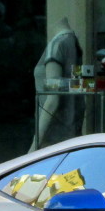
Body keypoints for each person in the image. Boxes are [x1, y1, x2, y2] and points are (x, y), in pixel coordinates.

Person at [30, 16, 82, 151]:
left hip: (53, 137)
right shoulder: (72, 41)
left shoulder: (57, 45)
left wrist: (34, 145)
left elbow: (52, 100)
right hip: (69, 130)